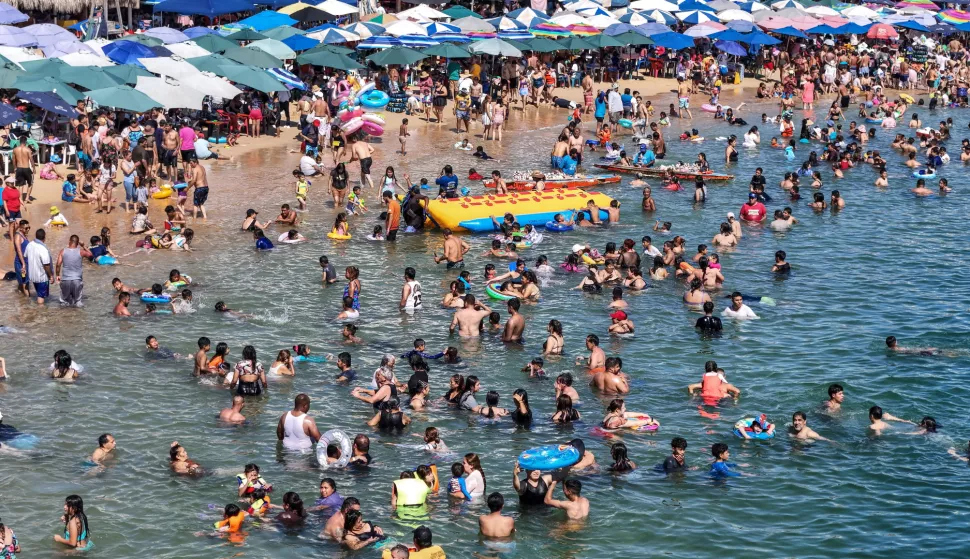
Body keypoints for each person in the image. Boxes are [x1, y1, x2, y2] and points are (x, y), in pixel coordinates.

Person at [24, 228, 53, 304]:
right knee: (41, 296)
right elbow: (46, 265)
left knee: (38, 293)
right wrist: (51, 276)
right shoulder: (43, 249)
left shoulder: (29, 245)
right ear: (44, 237)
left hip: (33, 276)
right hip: (41, 277)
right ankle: (41, 314)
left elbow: (26, 256)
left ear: (36, 236)